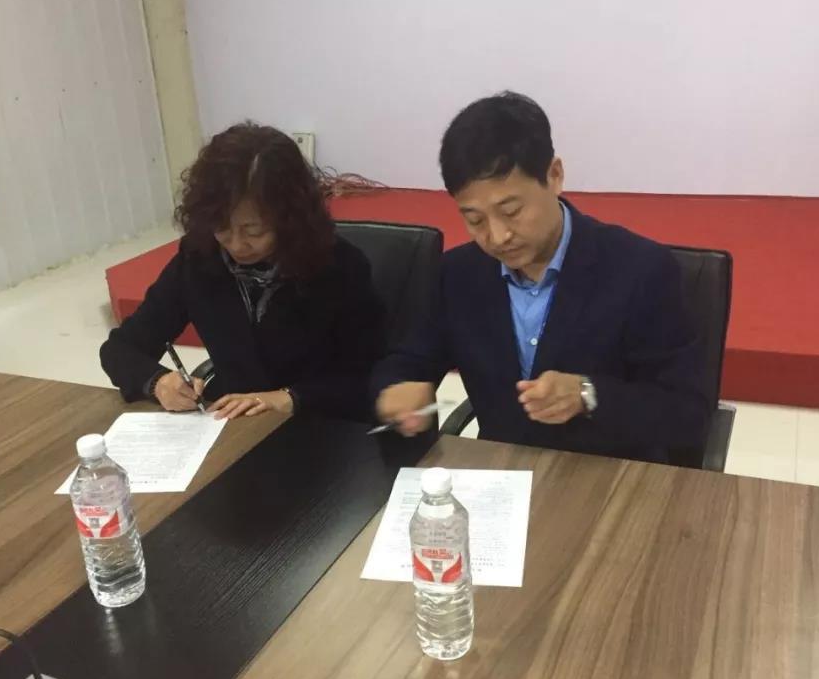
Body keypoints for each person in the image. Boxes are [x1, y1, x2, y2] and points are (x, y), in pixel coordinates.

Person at [373, 92, 709, 463]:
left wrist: (588, 395)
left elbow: (687, 412)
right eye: (475, 219)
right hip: (503, 475)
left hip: (608, 478)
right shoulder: (458, 275)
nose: (497, 236)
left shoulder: (640, 270)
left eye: (511, 211)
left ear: (554, 175)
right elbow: (408, 360)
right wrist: (397, 388)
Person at [101, 122, 384, 421]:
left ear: (290, 219)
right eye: (222, 227)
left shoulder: (338, 266)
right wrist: (157, 382)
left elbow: (370, 374)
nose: (236, 245)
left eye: (253, 231)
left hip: (320, 422)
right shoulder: (200, 257)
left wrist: (289, 397)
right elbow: (121, 348)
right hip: (233, 424)